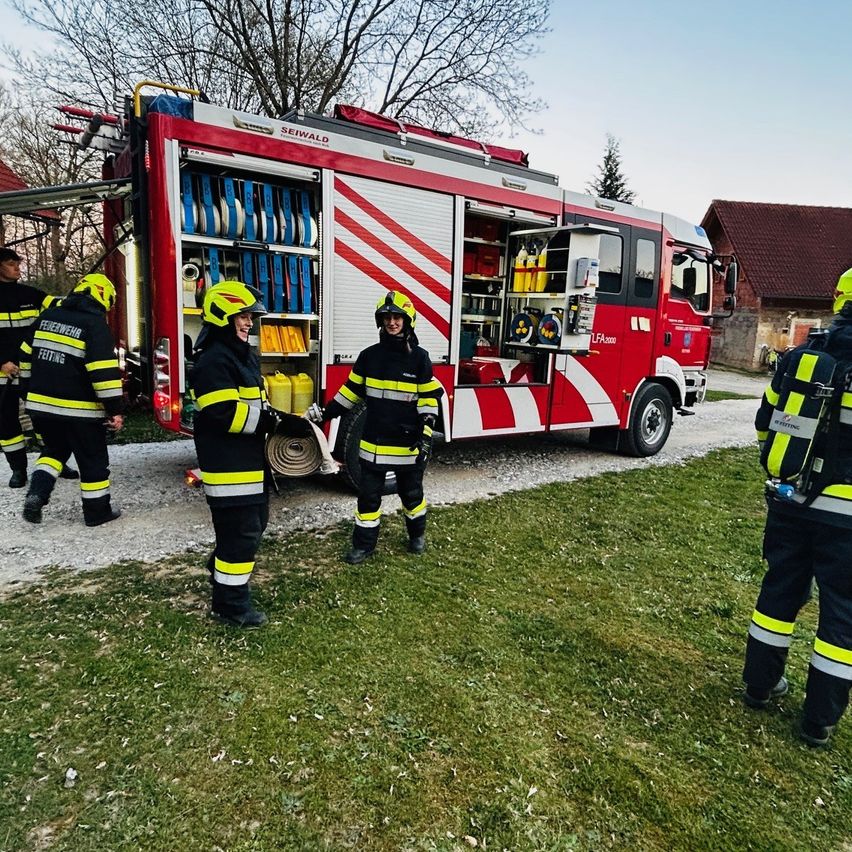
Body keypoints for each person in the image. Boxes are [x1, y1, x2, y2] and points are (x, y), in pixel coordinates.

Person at [742, 267, 852, 747]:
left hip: (791, 501)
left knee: (779, 591)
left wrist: (784, 477)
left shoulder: (801, 359)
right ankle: (818, 721)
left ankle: (759, 686)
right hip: (848, 518)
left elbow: (766, 421)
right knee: (842, 616)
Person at [192, 280, 303, 628]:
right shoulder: (213, 361)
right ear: (223, 316)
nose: (248, 323)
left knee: (253, 525)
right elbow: (224, 412)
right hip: (228, 465)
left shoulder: (239, 356)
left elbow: (251, 403)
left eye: (250, 317)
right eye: (242, 316)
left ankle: (220, 571)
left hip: (247, 460)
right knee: (240, 533)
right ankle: (231, 605)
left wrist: (274, 417)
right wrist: (267, 420)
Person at [309, 290, 444, 564]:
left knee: (412, 495)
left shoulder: (420, 358)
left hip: (408, 444)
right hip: (374, 444)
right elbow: (350, 393)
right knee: (368, 500)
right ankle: (363, 546)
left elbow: (429, 398)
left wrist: (427, 431)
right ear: (380, 322)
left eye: (397, 317)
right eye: (387, 318)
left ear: (408, 321)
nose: (392, 322)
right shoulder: (368, 357)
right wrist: (325, 413)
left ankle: (417, 536)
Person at [19, 273, 124, 526]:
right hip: (82, 412)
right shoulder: (94, 325)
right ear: (102, 298)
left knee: (53, 451)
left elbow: (24, 356)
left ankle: (37, 494)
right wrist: (115, 410)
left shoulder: (47, 317)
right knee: (92, 460)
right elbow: (104, 374)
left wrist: (27, 392)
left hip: (41, 406)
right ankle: (97, 513)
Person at [0, 246, 76, 487]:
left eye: (18, 263)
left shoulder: (29, 293)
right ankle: (18, 470)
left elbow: (57, 305)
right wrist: (2, 363)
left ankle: (54, 461)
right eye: (12, 264)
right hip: (3, 373)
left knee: (46, 418)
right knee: (6, 422)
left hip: (32, 370)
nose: (17, 268)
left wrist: (79, 298)